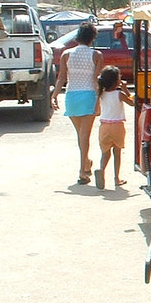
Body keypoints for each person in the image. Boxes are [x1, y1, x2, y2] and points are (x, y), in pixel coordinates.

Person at [51, 22, 104, 184]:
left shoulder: (66, 54)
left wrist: (54, 95)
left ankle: (85, 163)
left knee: (80, 135)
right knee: (85, 136)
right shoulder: (96, 55)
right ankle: (83, 171)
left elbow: (61, 77)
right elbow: (96, 81)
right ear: (92, 37)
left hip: (72, 96)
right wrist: (99, 101)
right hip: (89, 95)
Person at [93, 65, 133, 190]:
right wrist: (126, 89)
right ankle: (117, 178)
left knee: (105, 154)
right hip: (117, 126)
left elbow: (96, 111)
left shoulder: (101, 94)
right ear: (117, 81)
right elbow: (132, 103)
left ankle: (101, 170)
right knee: (117, 153)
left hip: (104, 126)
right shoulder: (119, 94)